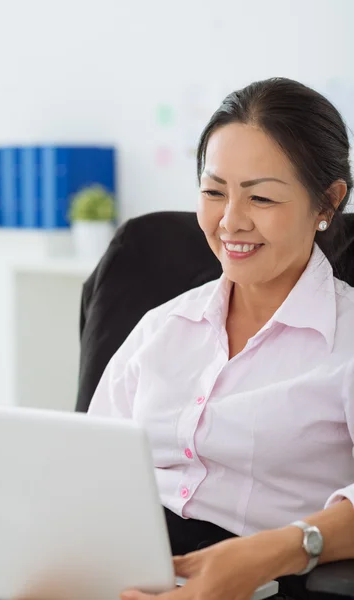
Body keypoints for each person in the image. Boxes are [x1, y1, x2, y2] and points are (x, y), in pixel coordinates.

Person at [88, 78, 354, 600]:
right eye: (213, 192)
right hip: (123, 570)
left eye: (260, 197)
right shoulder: (162, 327)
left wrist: (281, 549)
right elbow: (87, 462)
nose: (231, 221)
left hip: (270, 578)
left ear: (326, 202)